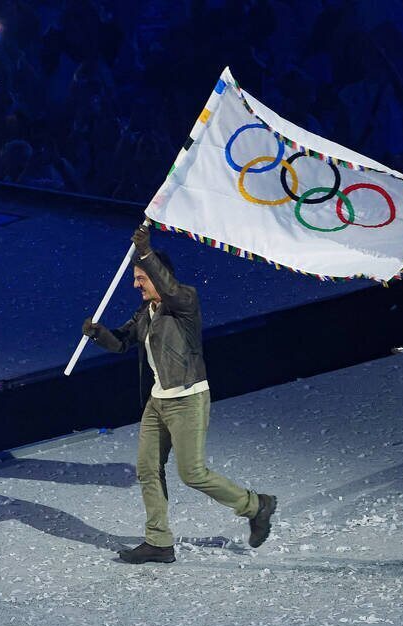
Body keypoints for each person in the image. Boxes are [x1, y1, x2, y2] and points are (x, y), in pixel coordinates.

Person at [81, 224, 277, 564]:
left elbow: (171, 291)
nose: (135, 284)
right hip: (158, 401)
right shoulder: (147, 312)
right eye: (136, 278)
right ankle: (158, 541)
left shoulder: (185, 301)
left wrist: (145, 252)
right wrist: (99, 334)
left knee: (192, 473)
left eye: (141, 278)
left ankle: (256, 505)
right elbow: (122, 342)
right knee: (147, 468)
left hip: (187, 399)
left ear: (160, 276)